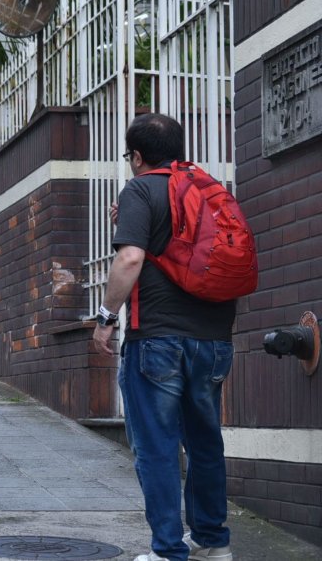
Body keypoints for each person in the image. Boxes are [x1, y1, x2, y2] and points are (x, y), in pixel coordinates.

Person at [92, 114, 235, 561]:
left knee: (156, 448)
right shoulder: (210, 189)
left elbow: (131, 258)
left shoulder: (140, 188)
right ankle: (213, 543)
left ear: (136, 156)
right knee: (205, 445)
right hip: (213, 340)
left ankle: (168, 551)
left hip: (156, 340)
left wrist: (105, 316)